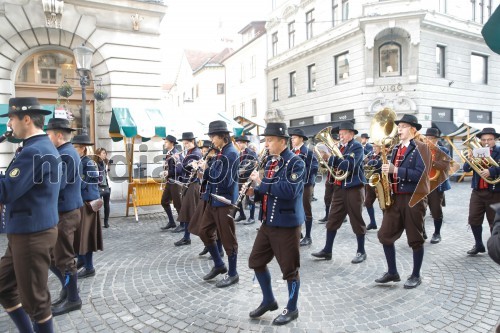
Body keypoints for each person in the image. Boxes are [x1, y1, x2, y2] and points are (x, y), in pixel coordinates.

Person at [0, 97, 61, 332]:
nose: (10, 125)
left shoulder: (33, 151)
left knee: (36, 301)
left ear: (26, 119)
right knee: (4, 287)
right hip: (25, 230)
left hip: (31, 233)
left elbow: (6, 190)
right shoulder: (37, 147)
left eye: (12, 119)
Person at [247, 122, 305, 325]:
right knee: (256, 261)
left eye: (270, 140)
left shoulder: (296, 163)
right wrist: (254, 192)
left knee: (290, 270)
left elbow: (290, 191)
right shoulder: (271, 162)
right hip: (268, 223)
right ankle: (269, 299)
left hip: (287, 224)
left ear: (282, 141)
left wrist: (262, 183)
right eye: (266, 140)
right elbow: (266, 193)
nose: (267, 144)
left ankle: (292, 308)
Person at [375, 114, 429, 289]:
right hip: (396, 197)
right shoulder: (396, 148)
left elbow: (420, 174)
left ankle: (415, 275)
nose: (399, 129)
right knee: (384, 235)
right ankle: (392, 272)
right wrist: (384, 172)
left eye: (404, 126)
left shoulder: (422, 148)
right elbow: (392, 172)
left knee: (415, 238)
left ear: (413, 129)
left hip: (413, 198)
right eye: (399, 126)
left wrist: (395, 169)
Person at [311, 122, 368, 264]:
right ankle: (327, 250)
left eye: (343, 134)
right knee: (333, 219)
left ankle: (361, 251)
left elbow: (348, 165)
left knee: (356, 219)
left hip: (354, 188)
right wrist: (328, 161)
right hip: (340, 187)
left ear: (351, 134)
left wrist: (330, 159)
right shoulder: (339, 147)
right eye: (340, 134)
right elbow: (333, 166)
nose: (340, 136)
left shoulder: (356, 146)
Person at [45, 117, 84, 316]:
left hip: (65, 214)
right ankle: (68, 289)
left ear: (59, 135)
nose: (46, 137)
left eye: (48, 134)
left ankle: (73, 299)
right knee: (52, 257)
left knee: (64, 258)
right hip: (64, 212)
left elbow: (57, 186)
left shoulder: (66, 154)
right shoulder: (64, 152)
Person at [197, 120, 240, 288]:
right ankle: (219, 264)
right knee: (203, 231)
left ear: (223, 136)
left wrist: (208, 168)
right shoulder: (221, 151)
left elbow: (226, 181)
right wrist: (205, 170)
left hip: (224, 201)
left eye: (213, 136)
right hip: (213, 199)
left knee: (228, 238)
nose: (211, 140)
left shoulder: (231, 153)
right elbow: (213, 174)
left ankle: (233, 273)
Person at [463, 127, 500, 255]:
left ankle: (496, 248)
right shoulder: (476, 150)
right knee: (473, 219)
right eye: (484, 139)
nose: (486, 142)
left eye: (489, 139)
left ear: (494, 139)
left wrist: (491, 171)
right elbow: (466, 168)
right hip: (478, 191)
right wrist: (470, 159)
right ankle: (479, 244)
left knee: (493, 222)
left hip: (495, 192)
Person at [72, 134, 103, 279]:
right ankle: (82, 260)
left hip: (87, 205)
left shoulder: (88, 163)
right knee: (79, 236)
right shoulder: (80, 161)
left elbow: (84, 184)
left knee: (86, 237)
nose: (73, 149)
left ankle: (89, 267)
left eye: (75, 147)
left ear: (83, 149)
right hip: (81, 203)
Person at [289, 128, 318, 246]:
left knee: (306, 210)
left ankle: (308, 236)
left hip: (305, 185)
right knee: (295, 209)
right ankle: (298, 233)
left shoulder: (308, 152)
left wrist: (304, 176)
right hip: (293, 185)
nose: (292, 139)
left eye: (294, 137)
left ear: (301, 139)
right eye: (291, 138)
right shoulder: (291, 152)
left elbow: (314, 167)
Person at [174, 132, 202, 246]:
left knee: (192, 212)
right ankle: (187, 237)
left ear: (192, 142)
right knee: (187, 212)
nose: (185, 145)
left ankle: (208, 241)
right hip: (188, 184)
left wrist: (178, 161)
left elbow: (184, 170)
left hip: (193, 185)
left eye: (187, 143)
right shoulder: (190, 152)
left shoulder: (195, 153)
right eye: (184, 143)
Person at [424, 128, 452, 244]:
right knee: (419, 211)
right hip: (422, 185)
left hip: (436, 186)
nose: (429, 141)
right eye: (427, 138)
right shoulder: (421, 150)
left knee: (436, 211)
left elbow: (444, 165)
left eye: (432, 139)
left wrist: (430, 162)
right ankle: (422, 231)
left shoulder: (443, 150)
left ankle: (437, 233)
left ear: (436, 140)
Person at [160, 135, 183, 232]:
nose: (164, 143)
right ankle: (171, 222)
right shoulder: (169, 153)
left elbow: (180, 169)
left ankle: (183, 224)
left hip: (176, 182)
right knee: (164, 201)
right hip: (170, 182)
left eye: (166, 142)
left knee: (178, 204)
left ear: (172, 143)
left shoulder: (176, 154)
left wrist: (168, 172)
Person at [233, 135, 258, 224]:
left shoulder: (251, 152)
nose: (239, 144)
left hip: (249, 178)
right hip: (240, 178)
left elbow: (255, 164)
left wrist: (245, 171)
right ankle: (242, 215)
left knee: (250, 198)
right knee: (238, 197)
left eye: (240, 143)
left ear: (245, 143)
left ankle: (252, 217)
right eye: (238, 143)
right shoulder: (240, 153)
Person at [318, 129, 339, 224]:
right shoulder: (329, 150)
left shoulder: (341, 150)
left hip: (338, 177)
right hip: (330, 177)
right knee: (327, 197)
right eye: (333, 140)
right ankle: (327, 215)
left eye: (335, 141)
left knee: (337, 198)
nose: (334, 142)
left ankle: (341, 216)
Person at [364, 143, 383, 230]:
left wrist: (373, 162)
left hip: (380, 182)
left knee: (383, 205)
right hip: (370, 183)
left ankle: (385, 224)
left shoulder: (383, 155)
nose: (374, 148)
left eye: (376, 146)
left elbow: (380, 164)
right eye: (373, 146)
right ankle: (373, 222)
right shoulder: (371, 155)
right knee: (368, 203)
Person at [95, 148, 111, 228]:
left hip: (107, 185)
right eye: (103, 153)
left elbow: (107, 174)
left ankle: (106, 221)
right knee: (98, 205)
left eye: (105, 153)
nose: (105, 154)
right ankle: (97, 222)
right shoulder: (95, 163)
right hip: (98, 186)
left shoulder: (106, 162)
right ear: (98, 154)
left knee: (107, 204)